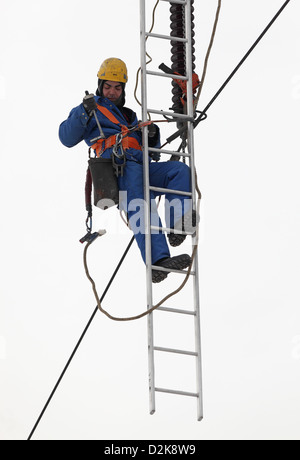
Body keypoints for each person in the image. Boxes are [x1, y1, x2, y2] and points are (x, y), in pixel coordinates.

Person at [59, 57, 196, 283]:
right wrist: (83, 111)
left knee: (178, 171)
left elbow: (152, 153)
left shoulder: (129, 117)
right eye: (107, 86)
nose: (112, 91)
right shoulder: (91, 109)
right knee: (140, 205)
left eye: (117, 87)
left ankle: (177, 224)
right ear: (100, 86)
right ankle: (158, 261)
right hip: (118, 167)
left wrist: (152, 136)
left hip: (140, 164)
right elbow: (66, 137)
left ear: (123, 89)